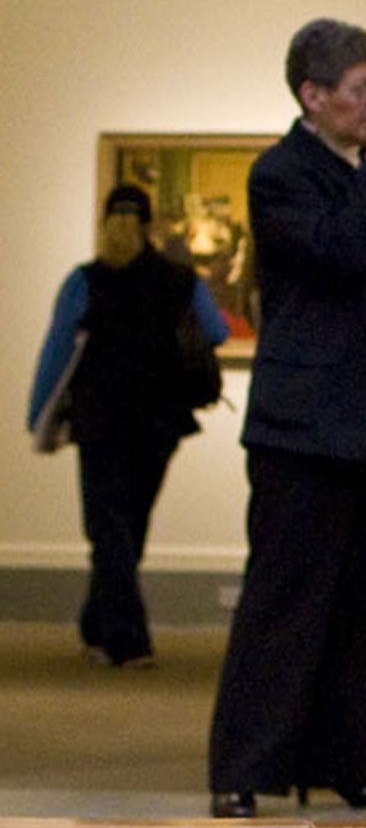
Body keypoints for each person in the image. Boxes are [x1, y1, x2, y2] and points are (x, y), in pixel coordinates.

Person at [207, 18, 366, 818]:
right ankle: (242, 769)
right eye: (361, 89)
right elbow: (340, 254)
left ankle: (348, 762)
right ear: (314, 96)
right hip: (302, 428)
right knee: (283, 600)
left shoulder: (361, 178)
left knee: (364, 603)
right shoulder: (281, 174)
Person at [26, 183, 231, 668]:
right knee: (129, 525)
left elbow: (57, 350)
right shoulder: (180, 280)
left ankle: (125, 638)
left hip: (99, 421)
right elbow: (218, 331)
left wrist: (39, 417)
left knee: (108, 526)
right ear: (150, 224)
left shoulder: (85, 280)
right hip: (160, 422)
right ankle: (99, 626)